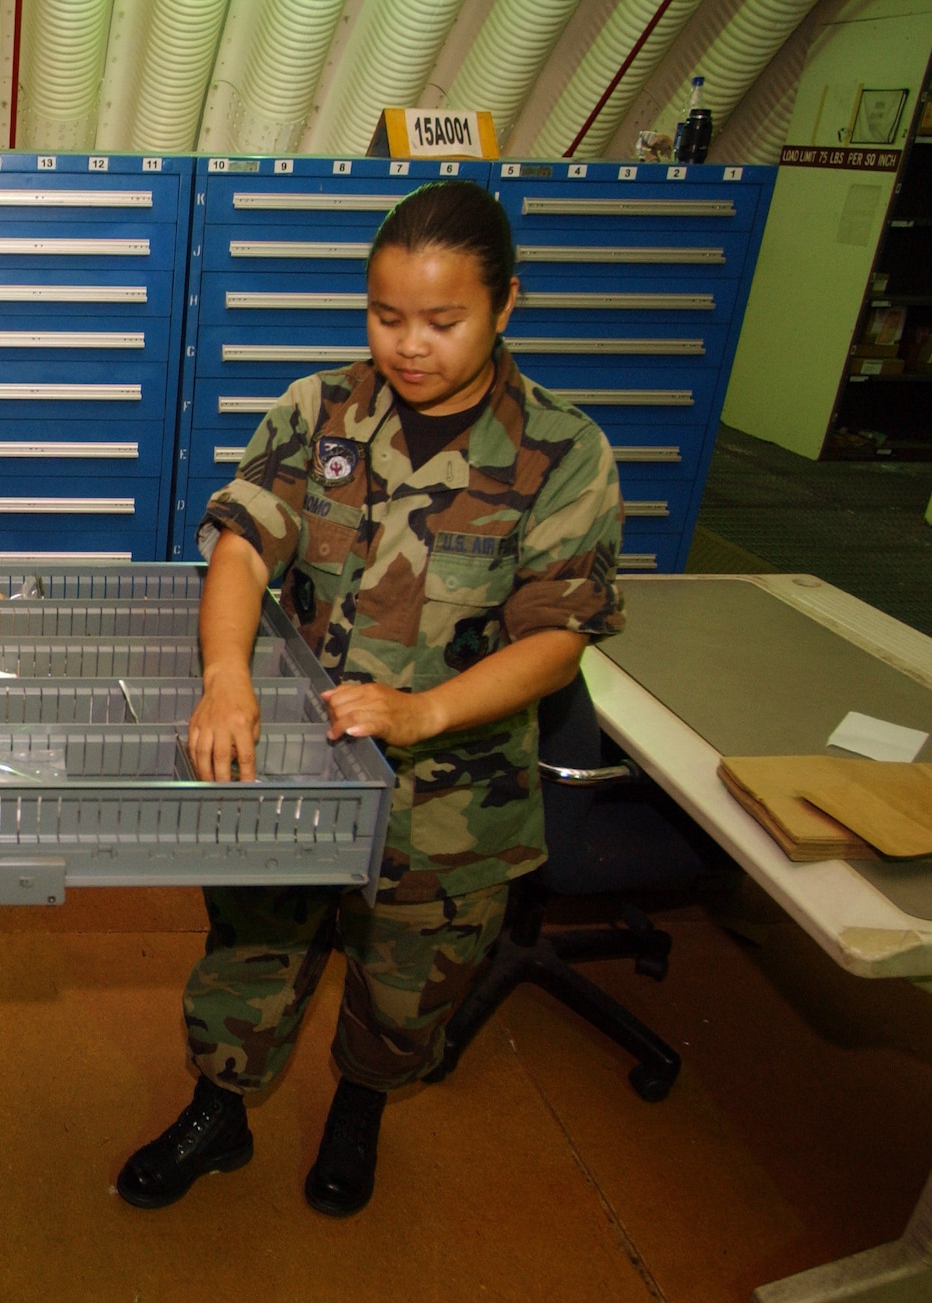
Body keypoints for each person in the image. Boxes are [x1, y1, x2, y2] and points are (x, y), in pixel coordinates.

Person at [117, 180, 626, 1216]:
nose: (408, 345)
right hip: (299, 768)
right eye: (385, 316)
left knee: (405, 988)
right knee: (250, 948)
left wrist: (421, 713)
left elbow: (554, 643)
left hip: (451, 801)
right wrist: (224, 676)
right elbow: (242, 547)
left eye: (442, 321)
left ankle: (359, 1108)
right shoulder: (318, 410)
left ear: (504, 305)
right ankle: (218, 1112)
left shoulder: (563, 453)